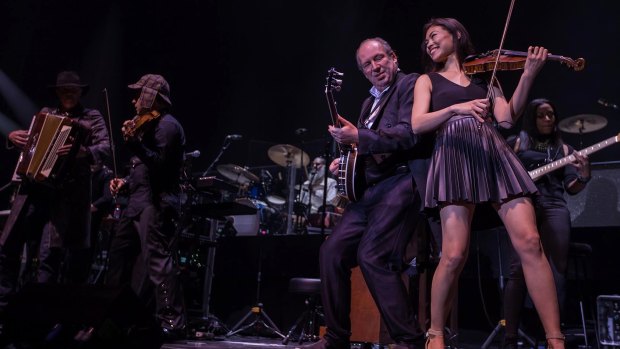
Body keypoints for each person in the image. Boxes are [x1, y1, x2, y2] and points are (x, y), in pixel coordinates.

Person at [410, 18, 565, 349]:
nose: (429, 43)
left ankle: (555, 339)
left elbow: (507, 118)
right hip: (453, 154)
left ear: (457, 35)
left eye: (434, 36)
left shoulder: (485, 77)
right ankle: (435, 334)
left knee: (530, 242)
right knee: (453, 254)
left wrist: (528, 75)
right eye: (426, 41)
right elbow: (418, 123)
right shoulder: (428, 80)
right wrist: (458, 108)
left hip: (492, 153)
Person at [300, 37, 433, 349]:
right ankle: (336, 338)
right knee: (331, 252)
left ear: (393, 57)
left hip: (402, 181)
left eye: (379, 59)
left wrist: (358, 134)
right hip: (370, 191)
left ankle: (408, 340)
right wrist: (344, 160)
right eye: (367, 65)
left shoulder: (410, 85)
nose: (376, 67)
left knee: (373, 256)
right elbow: (364, 148)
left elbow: (408, 134)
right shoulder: (368, 104)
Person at [0, 71, 111, 310]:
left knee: (50, 254)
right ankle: (4, 304)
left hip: (65, 197)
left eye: (73, 89)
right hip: (32, 191)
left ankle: (41, 312)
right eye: (63, 90)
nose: (68, 93)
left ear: (81, 92)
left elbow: (106, 147)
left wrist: (85, 152)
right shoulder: (45, 115)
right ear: (58, 93)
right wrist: (12, 137)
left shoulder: (92, 118)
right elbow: (30, 147)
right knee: (8, 244)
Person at [502, 98, 591, 348]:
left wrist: (584, 177)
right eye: (542, 115)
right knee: (517, 270)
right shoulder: (517, 142)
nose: (548, 119)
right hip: (523, 205)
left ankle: (552, 336)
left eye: (551, 114)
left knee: (556, 270)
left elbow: (571, 188)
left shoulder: (564, 149)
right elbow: (502, 174)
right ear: (531, 117)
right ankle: (510, 337)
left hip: (554, 206)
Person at [106, 74, 187, 339]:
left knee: (157, 262)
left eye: (140, 94)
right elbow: (143, 170)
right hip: (138, 203)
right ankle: (116, 316)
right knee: (118, 257)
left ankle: (172, 321)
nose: (135, 99)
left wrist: (135, 144)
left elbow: (160, 166)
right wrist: (125, 183)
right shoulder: (149, 127)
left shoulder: (167, 126)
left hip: (156, 203)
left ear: (153, 97)